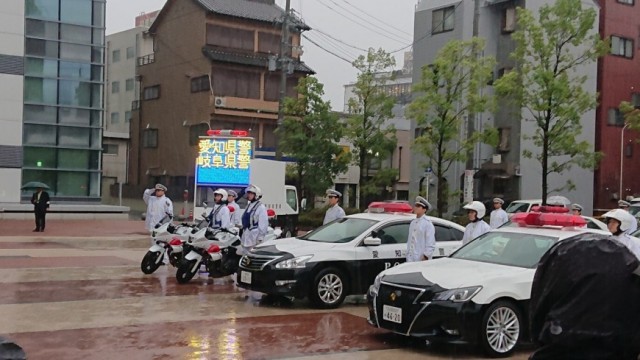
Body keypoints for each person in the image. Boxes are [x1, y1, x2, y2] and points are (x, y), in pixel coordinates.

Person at [406, 196, 436, 262]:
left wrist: (426, 256)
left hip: (421, 259)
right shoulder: (413, 223)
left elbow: (430, 243)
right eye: (415, 206)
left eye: (418, 206)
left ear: (424, 209)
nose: (415, 208)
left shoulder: (427, 224)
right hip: (411, 258)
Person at [241, 185, 268, 254]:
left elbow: (263, 223)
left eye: (251, 193)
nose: (249, 195)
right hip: (246, 236)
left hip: (255, 237)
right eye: (248, 193)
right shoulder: (248, 205)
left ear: (256, 195)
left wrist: (260, 238)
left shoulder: (261, 207)